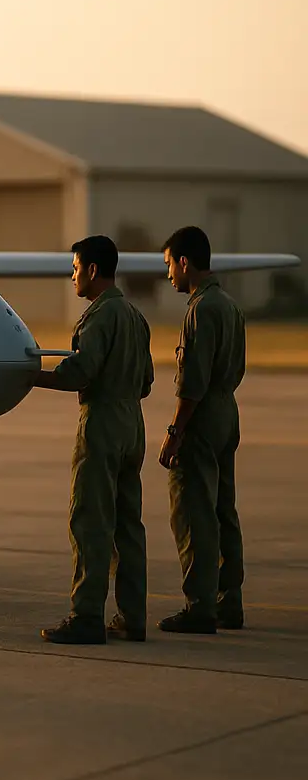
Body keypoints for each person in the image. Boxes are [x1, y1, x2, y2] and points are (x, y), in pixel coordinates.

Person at [33, 235, 153, 645]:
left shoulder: (99, 317)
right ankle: (133, 616)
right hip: (132, 425)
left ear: (93, 270)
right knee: (128, 526)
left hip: (101, 423)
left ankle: (86, 615)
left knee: (90, 522)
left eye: (76, 267)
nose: (72, 275)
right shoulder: (135, 317)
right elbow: (148, 383)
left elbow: (80, 372)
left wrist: (32, 376)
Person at [156, 225, 247, 634]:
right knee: (224, 508)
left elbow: (192, 384)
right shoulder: (229, 306)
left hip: (203, 414)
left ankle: (200, 606)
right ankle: (230, 601)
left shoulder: (200, 309)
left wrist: (175, 432)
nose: (169, 274)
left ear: (185, 262)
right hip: (228, 410)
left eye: (169, 265)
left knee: (194, 511)